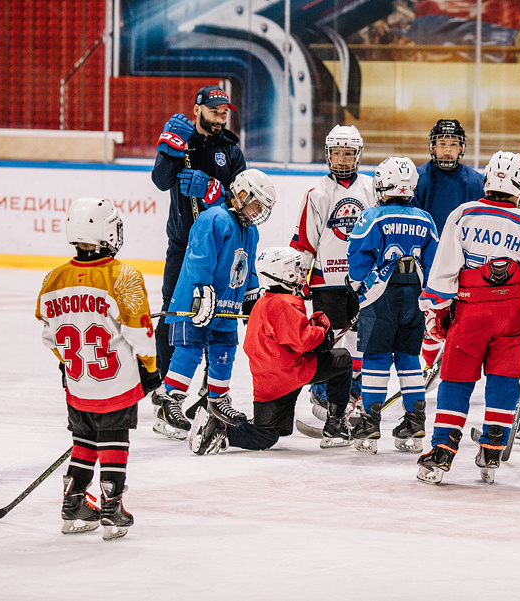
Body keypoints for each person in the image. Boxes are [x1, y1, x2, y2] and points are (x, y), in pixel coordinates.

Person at [416, 151, 520, 484]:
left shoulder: (463, 215)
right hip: (513, 316)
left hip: (471, 312)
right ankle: (494, 445)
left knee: (456, 379)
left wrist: (436, 311)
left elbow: (444, 272)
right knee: (505, 378)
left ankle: (442, 450)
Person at [36, 197, 160, 540]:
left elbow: (50, 336)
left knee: (84, 438)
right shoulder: (123, 276)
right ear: (107, 232)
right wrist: (149, 368)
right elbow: (140, 331)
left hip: (77, 381)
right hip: (116, 381)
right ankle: (111, 507)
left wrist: (67, 366)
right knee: (113, 439)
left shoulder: (53, 279)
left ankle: (74, 503)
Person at [188, 247, 353, 455]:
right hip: (288, 374)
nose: (302, 272)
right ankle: (335, 425)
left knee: (267, 434)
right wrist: (321, 329)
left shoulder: (264, 302)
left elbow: (286, 337)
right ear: (284, 273)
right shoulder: (285, 304)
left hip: (267, 381)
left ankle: (220, 430)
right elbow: (304, 341)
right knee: (343, 360)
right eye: (296, 268)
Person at [153, 169, 273, 440]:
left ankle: (217, 399)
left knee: (225, 351)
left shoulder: (250, 232)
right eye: (256, 204)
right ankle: (170, 400)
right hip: (197, 301)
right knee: (190, 350)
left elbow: (248, 266)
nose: (257, 212)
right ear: (241, 195)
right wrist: (202, 289)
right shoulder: (214, 218)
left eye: (261, 208)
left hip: (227, 305)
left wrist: (252, 295)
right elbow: (199, 258)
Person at [151, 85, 246, 400]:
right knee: (173, 315)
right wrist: (169, 150)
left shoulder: (231, 151)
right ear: (197, 110)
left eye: (223, 114)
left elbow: (243, 203)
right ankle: (168, 389)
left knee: (218, 317)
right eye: (213, 112)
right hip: (182, 247)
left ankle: (210, 387)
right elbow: (161, 181)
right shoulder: (183, 143)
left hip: (220, 250)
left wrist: (213, 191)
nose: (220, 120)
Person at [290, 124, 375, 447]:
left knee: (361, 342)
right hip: (327, 283)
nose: (342, 159)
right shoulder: (317, 194)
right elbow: (304, 243)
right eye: (337, 153)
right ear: (328, 155)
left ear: (358, 154)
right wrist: (299, 280)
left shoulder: (370, 189)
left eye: (348, 153)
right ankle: (329, 401)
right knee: (332, 344)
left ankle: (354, 395)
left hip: (363, 282)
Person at [347, 157, 439, 454]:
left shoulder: (373, 216)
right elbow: (434, 259)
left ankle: (370, 423)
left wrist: (358, 284)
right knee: (409, 357)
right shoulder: (425, 218)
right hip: (415, 295)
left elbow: (358, 257)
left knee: (376, 357)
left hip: (380, 295)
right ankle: (415, 419)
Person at [412, 119, 485, 368]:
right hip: (428, 263)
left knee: (460, 318)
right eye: (442, 144)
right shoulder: (417, 179)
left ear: (461, 147)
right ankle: (428, 364)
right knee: (431, 316)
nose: (447, 150)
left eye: (452, 145)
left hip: (465, 264)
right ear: (433, 146)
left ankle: (456, 361)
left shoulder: (476, 181)